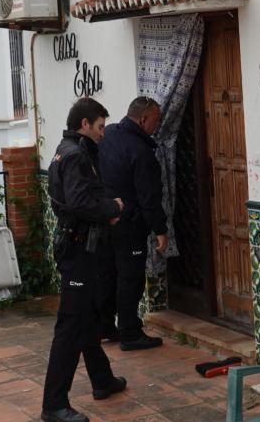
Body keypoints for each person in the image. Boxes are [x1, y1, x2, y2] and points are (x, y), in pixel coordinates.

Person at [42, 97, 128, 422]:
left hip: (79, 247)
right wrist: (112, 209)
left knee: (88, 317)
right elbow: (79, 202)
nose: (104, 134)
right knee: (70, 326)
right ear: (85, 125)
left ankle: (102, 379)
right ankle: (53, 405)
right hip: (77, 249)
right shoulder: (76, 154)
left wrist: (104, 208)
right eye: (101, 127)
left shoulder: (67, 148)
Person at [97, 96, 168, 351]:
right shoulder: (140, 151)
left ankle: (105, 326)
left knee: (109, 274)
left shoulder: (110, 134)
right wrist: (160, 230)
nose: (157, 126)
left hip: (106, 218)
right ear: (143, 119)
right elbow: (148, 198)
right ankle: (129, 331)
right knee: (130, 277)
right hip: (129, 224)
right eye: (156, 121)